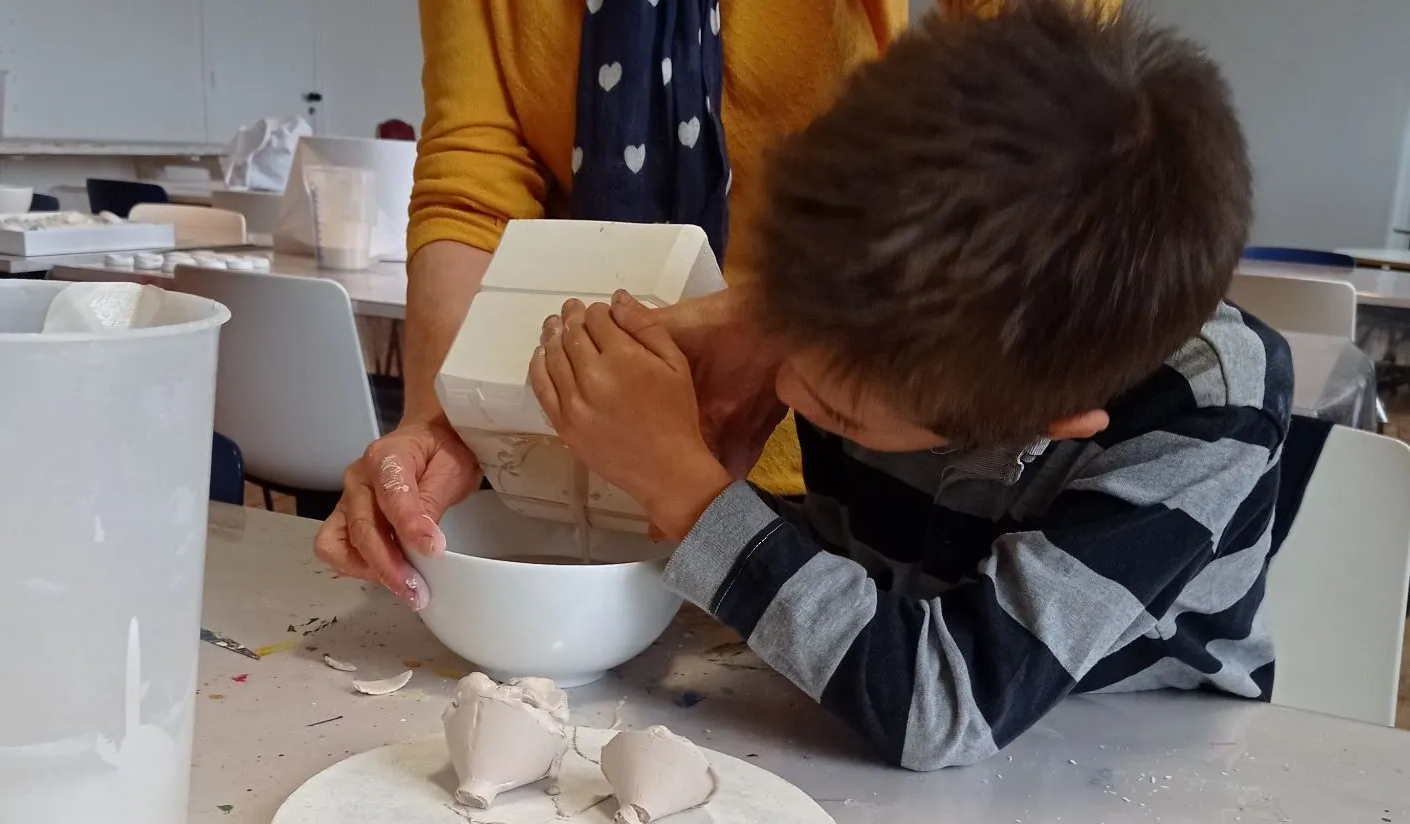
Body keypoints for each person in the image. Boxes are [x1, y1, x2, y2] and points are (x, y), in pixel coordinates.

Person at [528, 0, 1294, 770]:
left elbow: (942, 701)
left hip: (1137, 761)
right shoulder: (892, 323)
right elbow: (866, 600)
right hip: (891, 697)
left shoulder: (1205, 414)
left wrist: (686, 492)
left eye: (836, 413)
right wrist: (764, 313)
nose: (787, 392)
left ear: (1048, 421)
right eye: (786, 331)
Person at [313, 0, 1123, 605]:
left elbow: (1046, 126)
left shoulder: (834, 397)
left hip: (841, 423)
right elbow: (472, 173)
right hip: (586, 441)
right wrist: (449, 416)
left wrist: (780, 331)